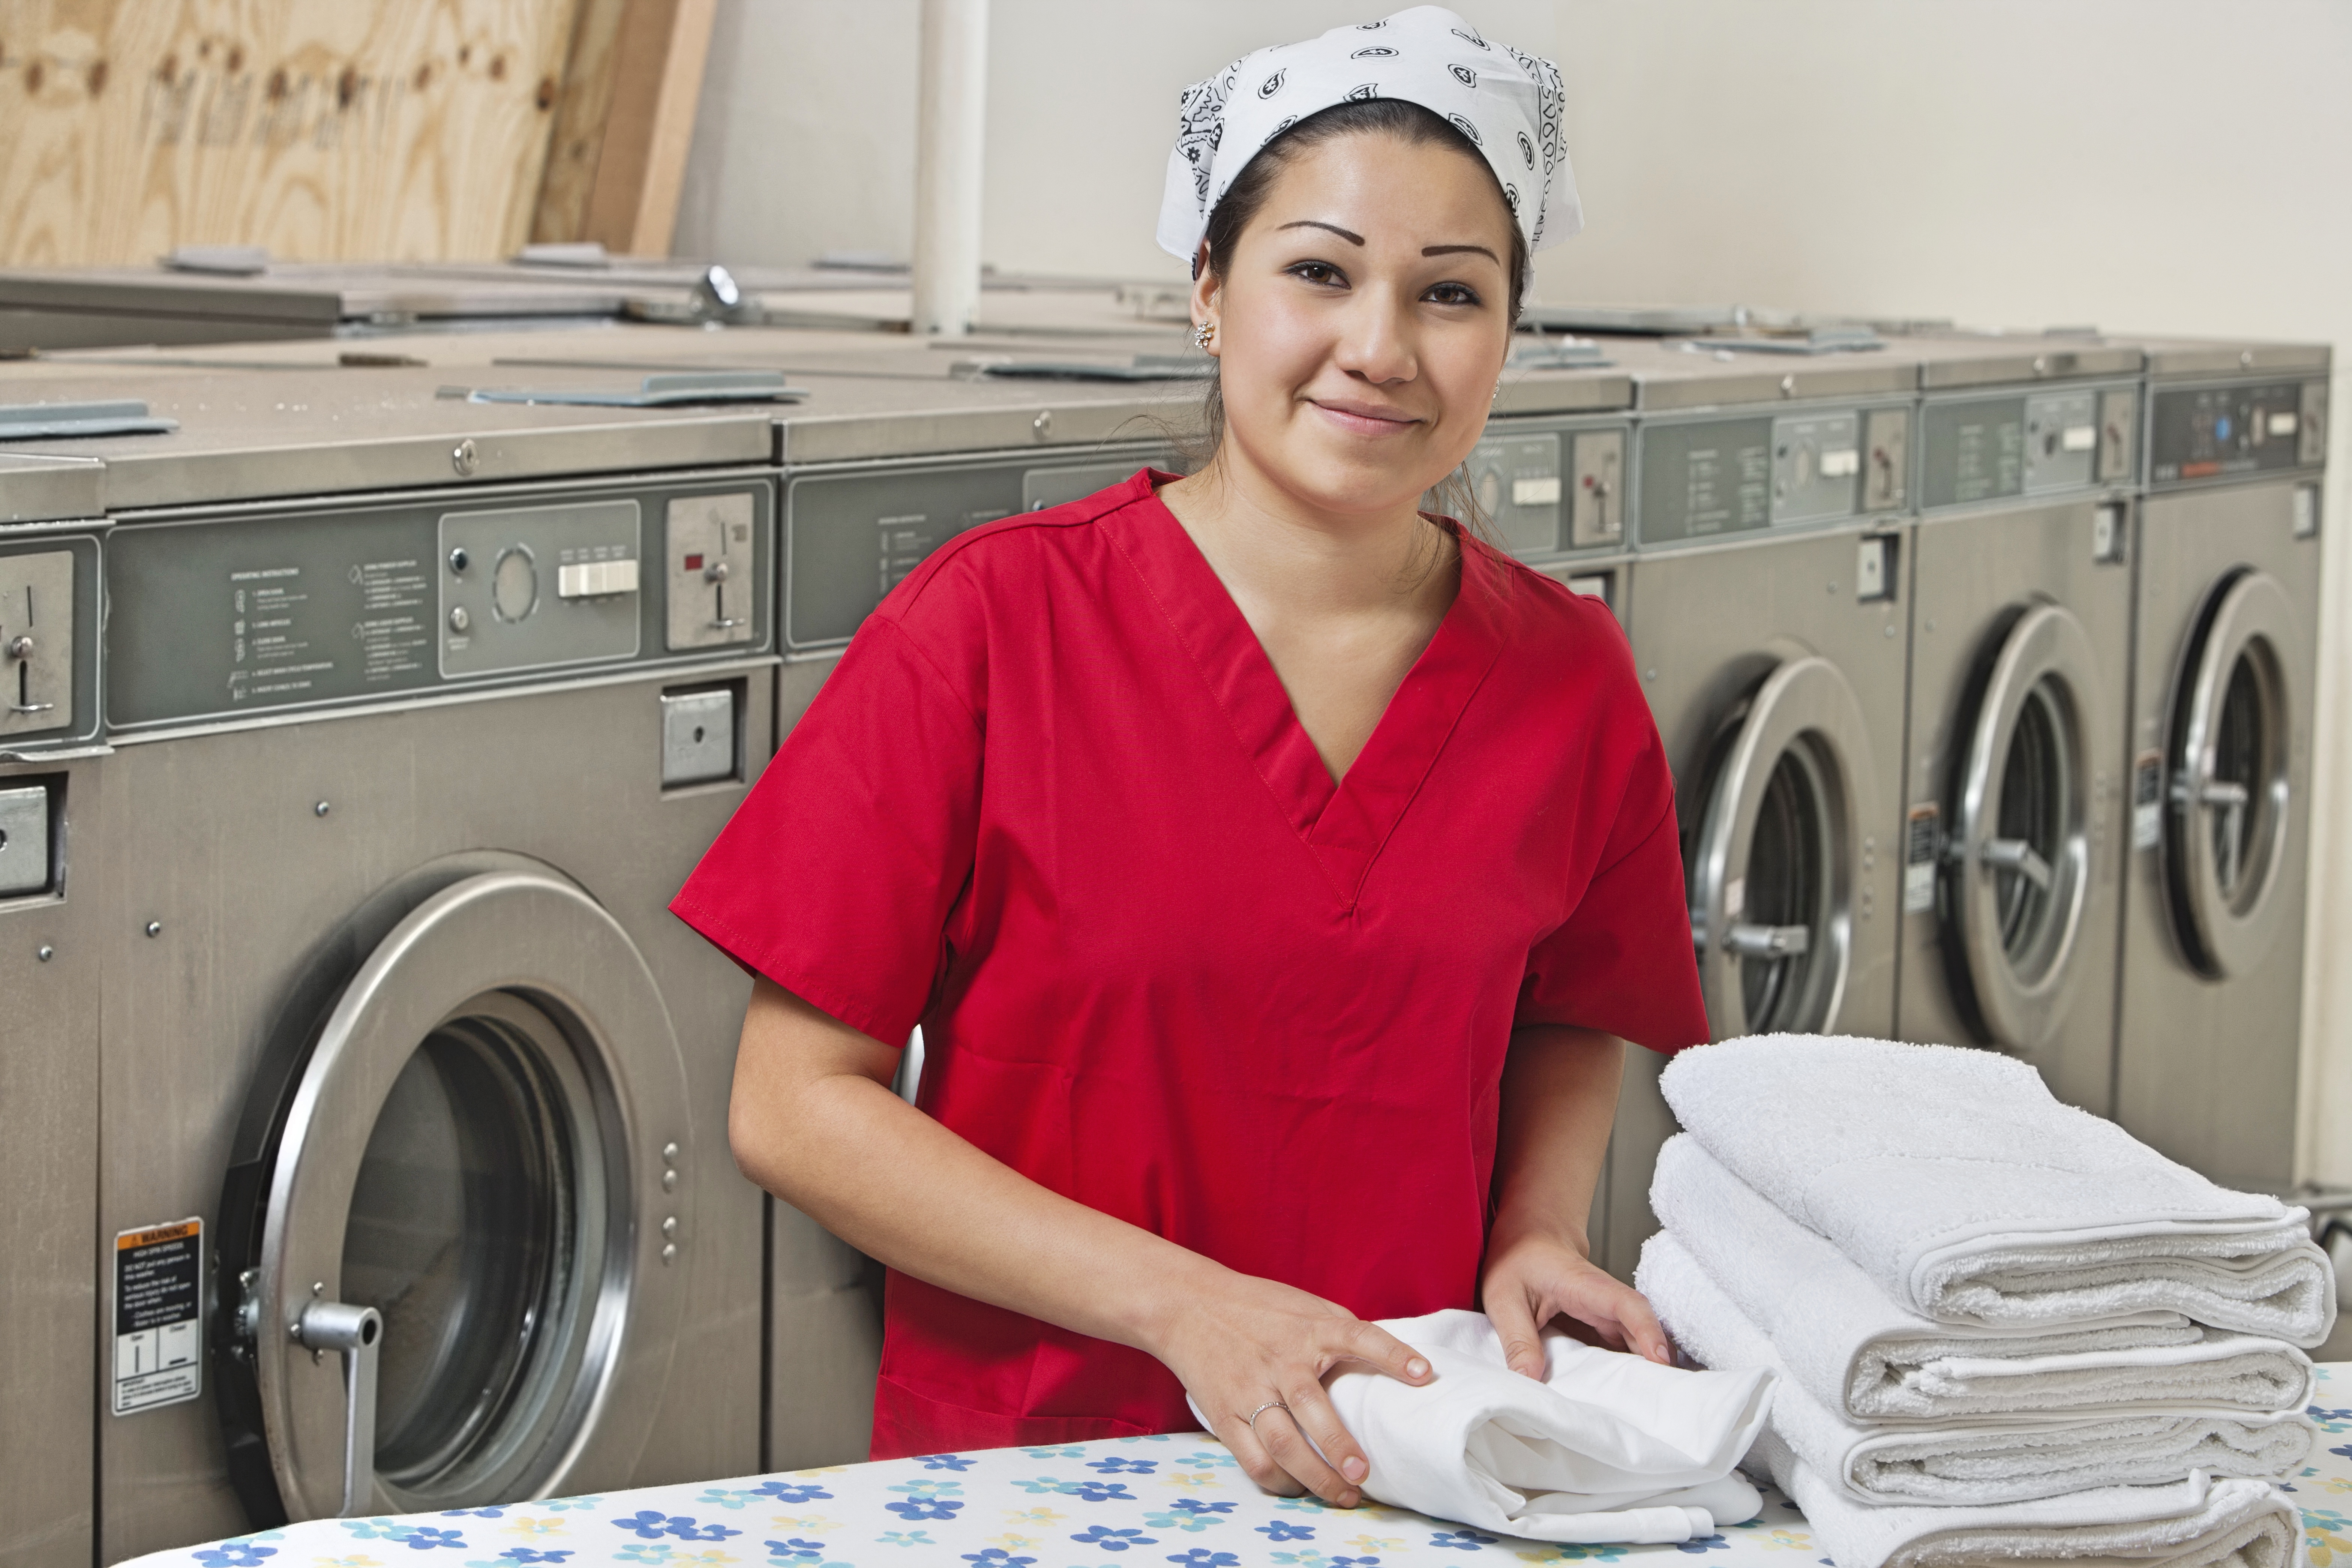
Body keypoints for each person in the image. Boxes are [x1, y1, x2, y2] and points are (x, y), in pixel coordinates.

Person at [670, 5, 1710, 1511]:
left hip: (1408, 1460)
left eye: (1449, 293)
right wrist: (1186, 1307)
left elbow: (1569, 1011)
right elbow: (792, 1103)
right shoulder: (993, 626)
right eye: (1319, 272)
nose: (1379, 348)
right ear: (1210, 291)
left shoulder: (1568, 675)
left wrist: (1534, 1228)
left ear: (1507, 333)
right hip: (1037, 1476)